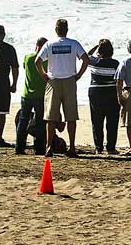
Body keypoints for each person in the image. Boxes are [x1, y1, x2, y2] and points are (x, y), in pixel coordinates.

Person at [36, 19, 90, 157]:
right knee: (71, 117)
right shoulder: (73, 43)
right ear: (67, 30)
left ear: (56, 30)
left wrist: (44, 75)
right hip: (69, 81)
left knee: (51, 117)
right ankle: (72, 147)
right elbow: (85, 59)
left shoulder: (50, 44)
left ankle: (49, 147)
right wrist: (79, 75)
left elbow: (38, 61)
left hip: (53, 81)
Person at [85, 39, 121, 155]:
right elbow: (119, 79)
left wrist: (96, 46)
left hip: (95, 92)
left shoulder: (94, 61)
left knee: (97, 121)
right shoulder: (115, 63)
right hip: (111, 92)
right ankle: (111, 148)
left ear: (100, 51)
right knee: (112, 121)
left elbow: (85, 55)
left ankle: (98, 147)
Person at [15, 38, 48, 155]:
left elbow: (24, 66)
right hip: (40, 95)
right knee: (40, 122)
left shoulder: (28, 57)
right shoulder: (46, 61)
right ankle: (38, 148)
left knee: (23, 121)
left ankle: (19, 147)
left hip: (26, 94)